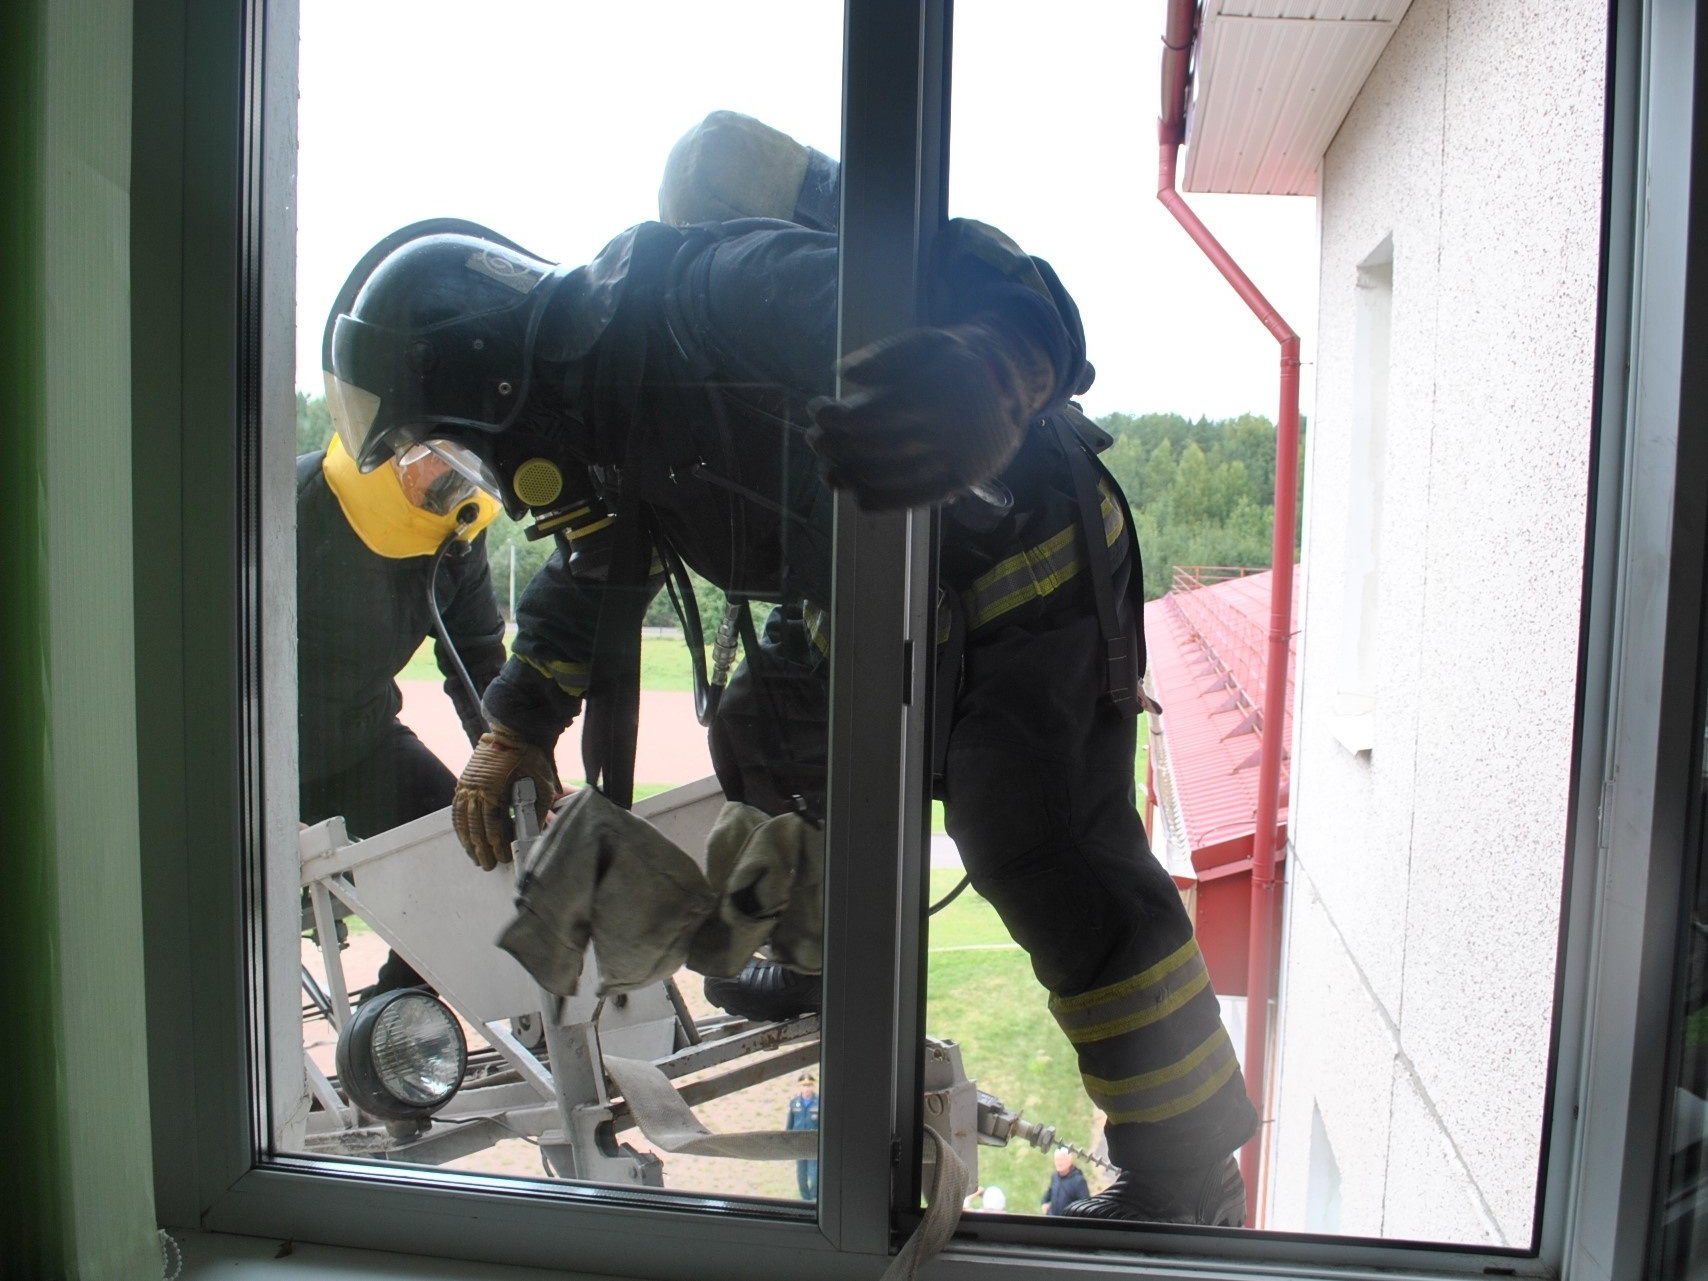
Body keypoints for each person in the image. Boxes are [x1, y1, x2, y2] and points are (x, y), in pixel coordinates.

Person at [319, 118, 1257, 1224]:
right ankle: (818, 954)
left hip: (1025, 543)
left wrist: (987, 373)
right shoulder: (603, 404)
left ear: (488, 383)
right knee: (760, 725)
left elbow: (1000, 282)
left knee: (1038, 841)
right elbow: (594, 562)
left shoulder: (697, 295)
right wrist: (517, 722)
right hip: (884, 572)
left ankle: (1188, 1175)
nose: (486, 479)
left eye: (462, 446)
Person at [297, 431, 507, 996]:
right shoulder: (297, 503)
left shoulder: (461, 531)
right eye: (437, 461)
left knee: (469, 850)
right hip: (253, 760)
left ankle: (395, 1027)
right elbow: (211, 664)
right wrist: (258, 805)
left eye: (467, 466)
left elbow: (477, 654)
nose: (452, 482)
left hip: (361, 740)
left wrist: (513, 754)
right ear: (388, 446)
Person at [786, 1072, 820, 1200]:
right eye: (805, 1085)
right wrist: (787, 1139)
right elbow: (790, 1122)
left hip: (813, 1144)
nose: (807, 1088)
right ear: (800, 1087)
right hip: (798, 1144)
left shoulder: (820, 1102)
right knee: (801, 1174)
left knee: (814, 1173)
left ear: (813, 1086)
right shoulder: (795, 1102)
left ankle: (814, 1197)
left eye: (810, 1085)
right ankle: (805, 1198)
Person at [1041, 1148, 1091, 1216]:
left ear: (1070, 1161)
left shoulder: (1079, 1181)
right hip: (1052, 1220)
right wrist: (1044, 1203)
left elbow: (1086, 1207)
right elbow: (1050, 1191)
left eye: (1061, 1160)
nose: (1059, 1163)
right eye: (1057, 1160)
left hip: (1068, 1223)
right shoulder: (1055, 1176)